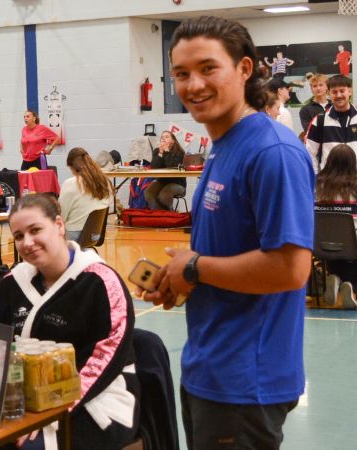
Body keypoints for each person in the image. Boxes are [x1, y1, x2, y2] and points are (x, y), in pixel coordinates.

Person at [145, 16, 313, 450]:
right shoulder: (224, 145)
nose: (193, 84)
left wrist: (196, 268)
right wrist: (182, 277)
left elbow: (291, 268)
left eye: (207, 68)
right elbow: (229, 251)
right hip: (211, 366)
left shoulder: (272, 151)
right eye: (181, 74)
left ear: (244, 69)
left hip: (246, 379)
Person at [0, 194, 138, 450]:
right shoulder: (13, 283)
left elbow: (103, 361)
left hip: (94, 398)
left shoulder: (101, 282)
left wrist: (50, 413)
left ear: (59, 225)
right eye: (19, 236)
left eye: (36, 230)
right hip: (24, 397)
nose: (28, 242)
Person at [314, 144, 357, 308]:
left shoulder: (317, 185)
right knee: (350, 244)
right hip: (352, 244)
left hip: (321, 244)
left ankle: (336, 278)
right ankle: (350, 285)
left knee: (336, 242)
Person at [305, 74, 357, 173]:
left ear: (349, 91)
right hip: (329, 183)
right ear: (329, 93)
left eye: (342, 91)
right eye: (334, 92)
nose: (338, 95)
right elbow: (309, 152)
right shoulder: (320, 120)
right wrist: (316, 176)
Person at [59, 147, 112, 242]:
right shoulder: (105, 181)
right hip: (96, 234)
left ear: (72, 167)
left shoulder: (70, 183)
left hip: (75, 236)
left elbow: (61, 216)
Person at [144, 131, 186, 210]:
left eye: (167, 137)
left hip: (177, 183)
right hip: (161, 181)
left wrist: (166, 151)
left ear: (173, 141)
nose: (164, 139)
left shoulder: (180, 152)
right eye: (162, 137)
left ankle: (169, 215)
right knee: (148, 193)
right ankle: (158, 214)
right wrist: (160, 153)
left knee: (163, 196)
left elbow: (171, 167)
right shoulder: (157, 151)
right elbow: (153, 167)